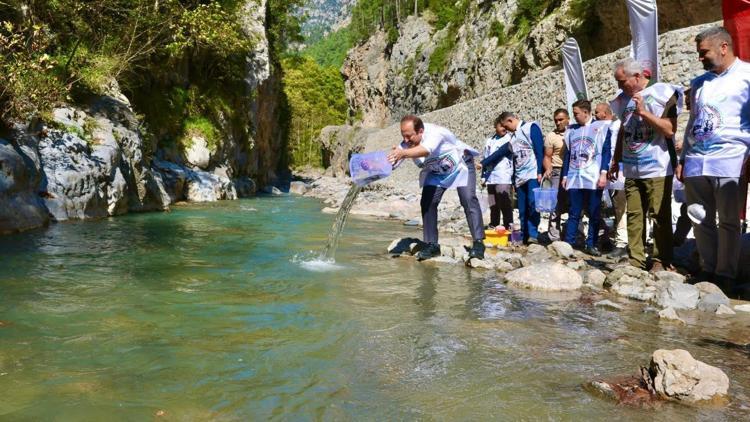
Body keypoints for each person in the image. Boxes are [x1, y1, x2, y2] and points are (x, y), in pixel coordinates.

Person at [676, 26, 750, 287]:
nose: (700, 58)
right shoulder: (699, 83)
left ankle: (725, 274)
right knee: (699, 216)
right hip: (697, 160)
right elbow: (693, 122)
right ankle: (708, 269)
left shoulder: (747, 76)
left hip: (732, 158)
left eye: (704, 52)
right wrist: (683, 158)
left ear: (723, 47)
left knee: (729, 220)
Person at [609, 57, 682, 272]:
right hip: (633, 167)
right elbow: (624, 129)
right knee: (634, 214)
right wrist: (616, 159)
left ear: (638, 77)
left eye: (622, 82)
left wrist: (644, 113)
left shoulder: (662, 94)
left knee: (659, 214)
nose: (620, 87)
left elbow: (669, 129)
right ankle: (636, 259)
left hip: (657, 167)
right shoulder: (624, 100)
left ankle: (661, 259)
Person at [388, 115, 486, 261]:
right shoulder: (407, 142)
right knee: (427, 201)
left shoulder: (435, 133)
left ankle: (478, 243)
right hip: (438, 171)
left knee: (468, 198)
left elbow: (426, 150)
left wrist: (403, 153)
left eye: (409, 136)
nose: (406, 141)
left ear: (420, 131)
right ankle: (432, 245)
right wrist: (380, 166)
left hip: (460, 164)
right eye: (404, 137)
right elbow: (394, 162)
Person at [481, 112, 545, 244]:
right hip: (520, 177)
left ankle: (533, 234)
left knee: (532, 203)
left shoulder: (531, 128)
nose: (506, 130)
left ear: (510, 120)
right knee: (522, 208)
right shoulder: (513, 138)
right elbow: (500, 153)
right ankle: (524, 234)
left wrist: (540, 171)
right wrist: (482, 164)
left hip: (532, 174)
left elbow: (540, 150)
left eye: (506, 126)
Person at [561, 100, 612, 256]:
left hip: (593, 176)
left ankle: (591, 244)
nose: (574, 117)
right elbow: (568, 154)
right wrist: (564, 175)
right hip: (575, 176)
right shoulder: (571, 130)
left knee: (594, 211)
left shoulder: (602, 127)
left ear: (585, 112)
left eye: (576, 113)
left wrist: (604, 173)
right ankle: (568, 244)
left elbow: (606, 151)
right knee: (574, 211)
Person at [594, 102, 627, 256]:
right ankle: (606, 237)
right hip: (606, 171)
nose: (595, 115)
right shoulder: (606, 127)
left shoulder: (621, 125)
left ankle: (622, 242)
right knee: (606, 206)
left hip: (622, 172)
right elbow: (607, 149)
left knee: (621, 207)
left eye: (597, 112)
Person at [482, 116, 514, 229]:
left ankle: (508, 223)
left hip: (503, 175)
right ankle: (494, 222)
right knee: (492, 202)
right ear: (495, 127)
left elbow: (499, 154)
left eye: (505, 126)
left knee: (505, 201)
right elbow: (485, 157)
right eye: (501, 126)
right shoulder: (489, 141)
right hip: (491, 177)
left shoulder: (509, 139)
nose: (504, 128)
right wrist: (483, 176)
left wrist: (483, 163)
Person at [543, 109, 570, 241]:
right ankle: (554, 236)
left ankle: (576, 234)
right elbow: (547, 156)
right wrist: (548, 168)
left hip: (573, 171)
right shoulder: (551, 136)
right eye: (556, 120)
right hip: (557, 170)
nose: (558, 122)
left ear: (568, 119)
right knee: (555, 204)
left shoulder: (575, 132)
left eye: (561, 120)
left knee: (575, 203)